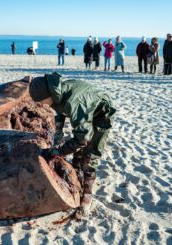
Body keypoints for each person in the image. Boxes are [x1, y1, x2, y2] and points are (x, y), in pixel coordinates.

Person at [28, 72, 116, 215]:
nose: (42, 105)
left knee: (90, 153)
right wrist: (57, 135)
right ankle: (76, 173)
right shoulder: (57, 91)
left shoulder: (74, 102)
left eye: (42, 101)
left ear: (49, 95)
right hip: (86, 105)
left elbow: (82, 139)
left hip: (102, 113)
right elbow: (59, 112)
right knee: (77, 152)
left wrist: (59, 151)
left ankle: (87, 194)